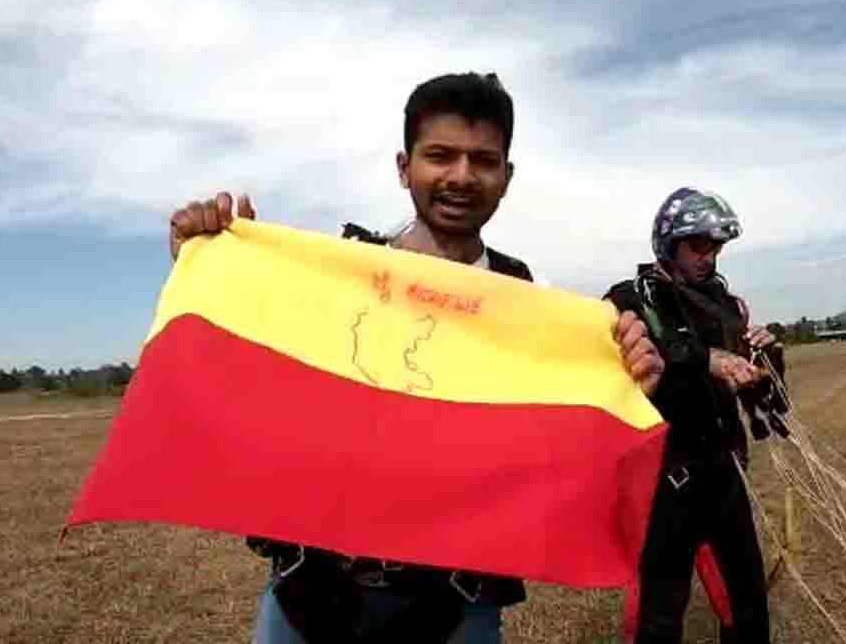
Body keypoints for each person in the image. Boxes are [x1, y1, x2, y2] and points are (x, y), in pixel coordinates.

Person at [166, 72, 664, 644]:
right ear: (405, 168)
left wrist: (625, 385)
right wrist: (208, 255)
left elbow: (559, 459)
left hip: (456, 606)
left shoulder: (538, 306)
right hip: (308, 594)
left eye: (482, 160)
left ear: (506, 176)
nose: (460, 176)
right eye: (440, 156)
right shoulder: (336, 274)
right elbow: (238, 364)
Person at [603, 187, 788, 644]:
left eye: (716, 247)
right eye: (697, 246)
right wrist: (706, 359)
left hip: (724, 473)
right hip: (665, 481)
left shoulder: (727, 306)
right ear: (669, 245)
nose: (709, 257)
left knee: (747, 605)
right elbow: (620, 365)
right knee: (659, 614)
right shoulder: (628, 301)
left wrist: (767, 363)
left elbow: (768, 407)